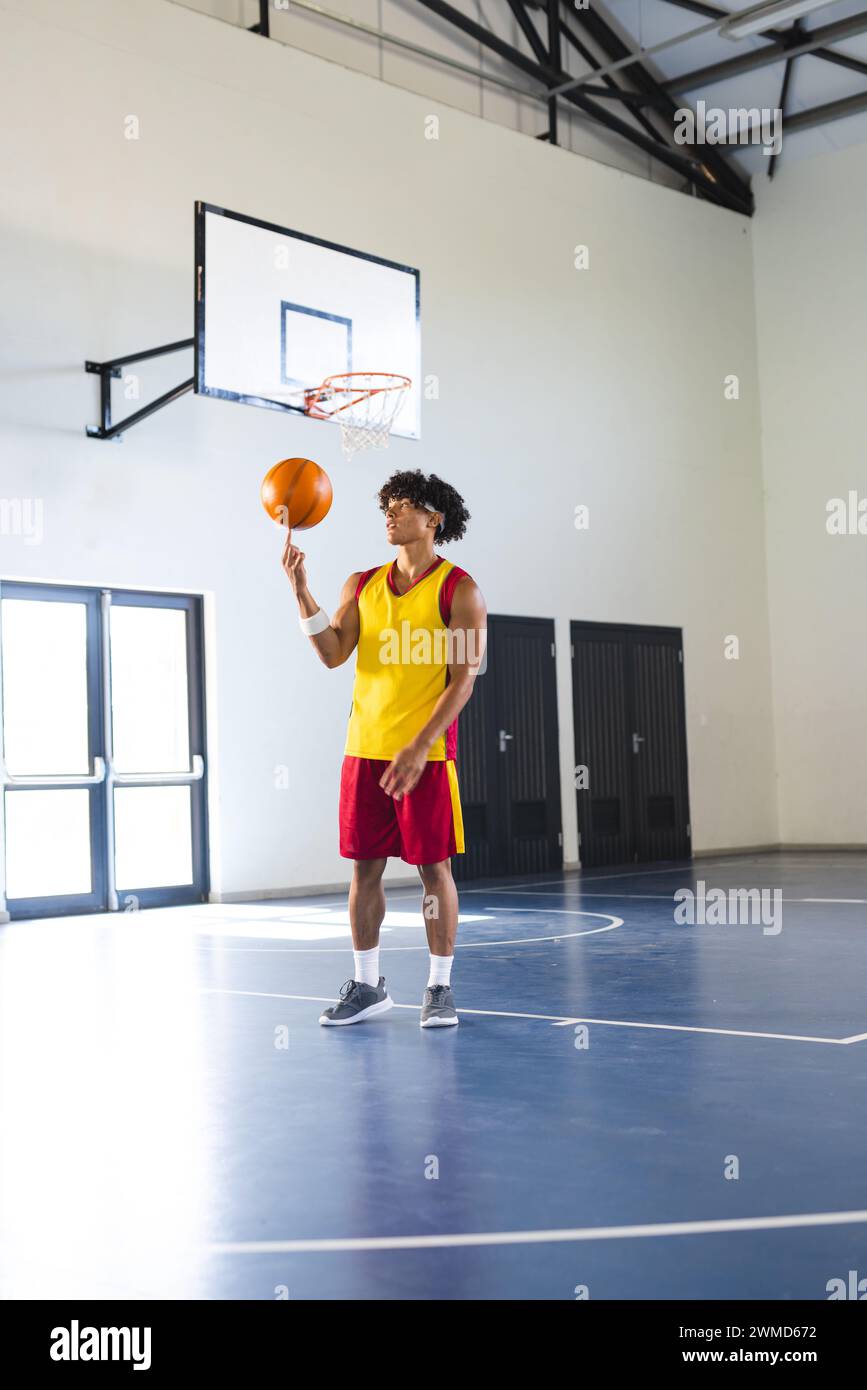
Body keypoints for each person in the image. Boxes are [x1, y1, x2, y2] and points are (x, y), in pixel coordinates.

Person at [283, 468, 486, 1028]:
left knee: (432, 871)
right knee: (363, 870)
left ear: (434, 518)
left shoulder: (459, 590)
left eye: (402, 507)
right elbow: (331, 652)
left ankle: (439, 988)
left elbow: (463, 679)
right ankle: (368, 985)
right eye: (386, 508)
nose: (390, 516)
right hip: (364, 750)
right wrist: (302, 591)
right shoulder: (361, 584)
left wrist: (422, 745)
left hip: (425, 756)